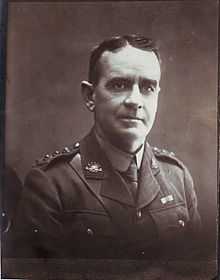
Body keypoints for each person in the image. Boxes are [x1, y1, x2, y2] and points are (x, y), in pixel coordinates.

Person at [9, 34, 201, 259]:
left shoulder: (177, 177)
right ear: (90, 96)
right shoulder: (51, 184)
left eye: (148, 87)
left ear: (157, 96)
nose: (135, 100)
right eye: (119, 85)